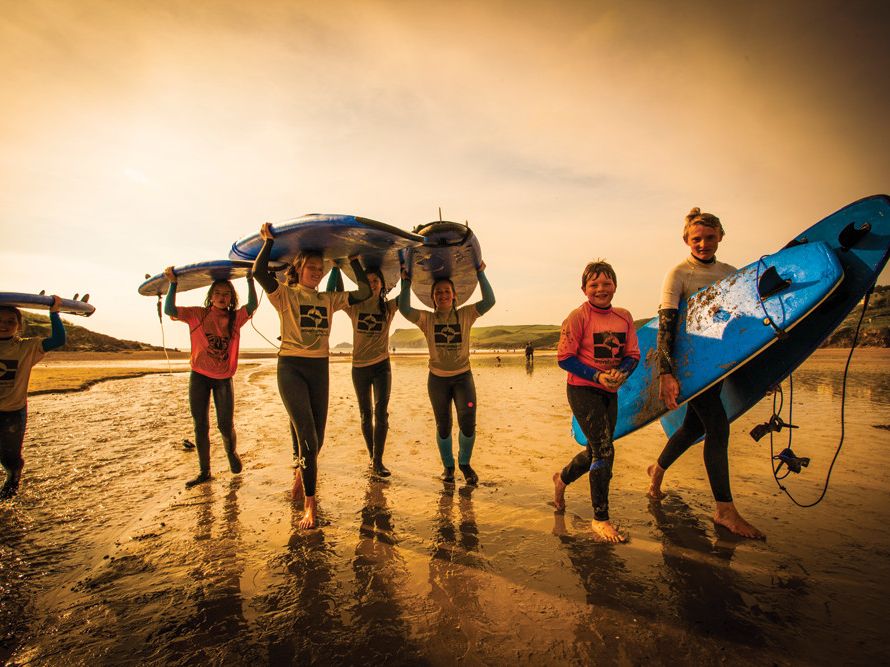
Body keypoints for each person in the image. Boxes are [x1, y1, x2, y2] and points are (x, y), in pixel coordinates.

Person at [646, 207, 765, 539]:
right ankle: (724, 510)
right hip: (688, 365)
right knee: (717, 426)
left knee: (691, 427)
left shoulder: (731, 273)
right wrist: (666, 374)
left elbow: (743, 328)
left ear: (720, 237)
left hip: (717, 363)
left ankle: (657, 469)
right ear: (686, 239)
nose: (703, 244)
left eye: (710, 237)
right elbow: (666, 327)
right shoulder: (678, 274)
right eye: (696, 238)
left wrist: (757, 371)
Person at [253, 223, 370, 529]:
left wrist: (354, 262)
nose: (317, 272)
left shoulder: (329, 299)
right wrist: (268, 242)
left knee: (316, 440)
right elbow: (259, 273)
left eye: (320, 268)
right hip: (291, 368)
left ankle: (299, 477)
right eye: (311, 267)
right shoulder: (284, 295)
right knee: (306, 434)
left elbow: (365, 292)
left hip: (319, 369)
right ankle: (310, 505)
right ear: (299, 268)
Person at [552, 260, 639, 543]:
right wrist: (597, 376)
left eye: (606, 283)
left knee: (594, 451)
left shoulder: (624, 317)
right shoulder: (578, 317)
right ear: (584, 289)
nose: (601, 289)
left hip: (610, 390)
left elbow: (633, 355)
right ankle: (600, 518)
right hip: (582, 390)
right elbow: (564, 358)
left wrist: (621, 372)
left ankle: (561, 480)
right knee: (605, 451)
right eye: (594, 285)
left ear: (615, 285)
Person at [399, 262, 495, 485]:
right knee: (444, 425)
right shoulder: (427, 319)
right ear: (433, 298)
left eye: (446, 291)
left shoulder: (467, 314)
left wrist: (480, 272)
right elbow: (404, 309)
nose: (443, 295)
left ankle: (465, 463)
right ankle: (448, 467)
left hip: (463, 378)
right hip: (437, 380)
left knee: (468, 421)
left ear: (454, 296)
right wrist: (405, 282)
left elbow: (489, 301)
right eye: (438, 292)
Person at [164, 267, 257, 488]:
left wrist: (250, 280)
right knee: (200, 425)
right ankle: (204, 471)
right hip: (199, 376)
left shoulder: (235, 318)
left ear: (232, 298)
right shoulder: (198, 314)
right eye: (218, 293)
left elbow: (252, 306)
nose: (222, 297)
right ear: (211, 296)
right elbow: (170, 309)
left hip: (224, 378)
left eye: (227, 294)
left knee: (225, 425)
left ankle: (231, 452)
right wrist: (173, 283)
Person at [326, 263, 399, 477]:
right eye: (368, 282)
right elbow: (335, 294)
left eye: (376, 281)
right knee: (366, 414)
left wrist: (407, 274)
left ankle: (378, 460)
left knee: (381, 413)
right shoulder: (354, 306)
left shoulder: (389, 307)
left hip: (381, 366)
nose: (372, 285)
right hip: (359, 368)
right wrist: (336, 268)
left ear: (382, 285)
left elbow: (406, 300)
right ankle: (372, 457)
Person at [0, 296, 66, 500]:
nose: (4, 325)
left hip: (12, 412)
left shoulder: (27, 347)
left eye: (10, 321)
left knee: (9, 458)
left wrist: (54, 313)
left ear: (19, 325)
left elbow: (58, 340)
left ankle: (12, 484)